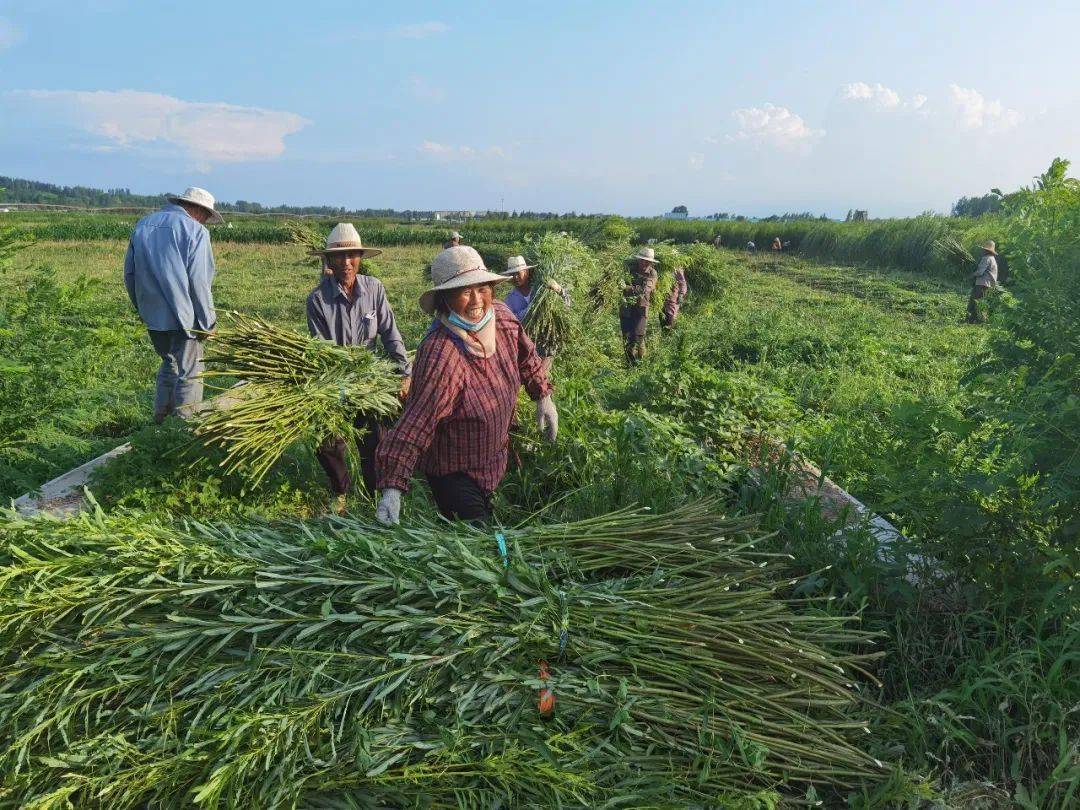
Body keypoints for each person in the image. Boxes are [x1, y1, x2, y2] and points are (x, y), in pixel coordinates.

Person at [374, 246, 557, 525]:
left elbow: (526, 356)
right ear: (445, 299)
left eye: (482, 288)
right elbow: (417, 422)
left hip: (493, 458)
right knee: (481, 546)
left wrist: (543, 396)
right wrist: (392, 488)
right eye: (464, 291)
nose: (476, 300)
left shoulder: (503, 318)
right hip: (455, 472)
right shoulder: (442, 353)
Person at [306, 223, 411, 513]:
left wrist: (405, 373)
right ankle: (341, 490)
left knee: (376, 438)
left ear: (360, 258)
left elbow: (390, 332)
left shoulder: (374, 289)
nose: (346, 262)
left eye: (352, 255)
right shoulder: (317, 300)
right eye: (339, 257)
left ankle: (376, 493)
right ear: (328, 261)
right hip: (334, 378)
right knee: (327, 439)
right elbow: (321, 349)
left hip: (369, 379)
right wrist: (342, 381)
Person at [123, 186, 221, 423]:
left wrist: (142, 309)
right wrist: (207, 322)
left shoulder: (143, 225)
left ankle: (161, 420)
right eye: (207, 216)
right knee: (191, 372)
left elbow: (130, 274)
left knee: (170, 363)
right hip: (184, 318)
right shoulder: (195, 230)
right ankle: (184, 426)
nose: (206, 221)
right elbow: (199, 281)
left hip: (153, 314)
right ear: (197, 209)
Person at [501, 254, 570, 370]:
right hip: (526, 347)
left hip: (547, 343)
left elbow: (566, 305)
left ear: (527, 272)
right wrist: (533, 308)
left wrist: (558, 289)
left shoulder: (543, 289)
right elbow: (512, 322)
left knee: (542, 377)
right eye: (512, 274)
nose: (515, 277)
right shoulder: (510, 299)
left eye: (518, 273)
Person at [619, 247, 659, 365]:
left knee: (638, 337)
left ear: (650, 262)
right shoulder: (629, 269)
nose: (643, 263)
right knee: (627, 338)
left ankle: (640, 361)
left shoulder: (652, 273)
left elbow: (644, 290)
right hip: (626, 308)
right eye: (642, 260)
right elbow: (619, 281)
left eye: (646, 261)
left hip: (641, 309)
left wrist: (626, 288)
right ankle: (631, 364)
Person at [967, 240, 999, 323]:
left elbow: (980, 272)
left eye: (984, 250)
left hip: (982, 284)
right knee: (982, 303)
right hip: (988, 285)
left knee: (976, 302)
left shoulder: (986, 258)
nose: (982, 251)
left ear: (986, 250)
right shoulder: (993, 259)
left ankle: (972, 321)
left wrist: (971, 275)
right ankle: (980, 321)